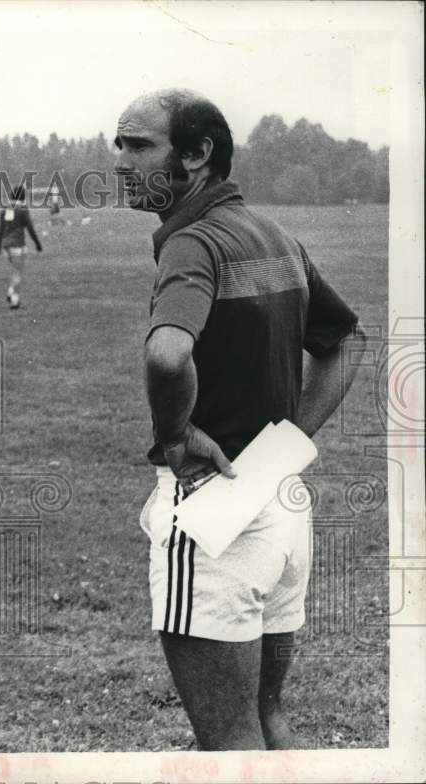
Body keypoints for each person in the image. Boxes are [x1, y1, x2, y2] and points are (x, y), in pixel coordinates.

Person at [114, 88, 365, 751]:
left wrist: (175, 433)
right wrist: (289, 441)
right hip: (281, 506)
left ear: (197, 155)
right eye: (119, 144)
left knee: (229, 744)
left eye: (138, 144)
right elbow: (345, 342)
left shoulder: (192, 244)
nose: (120, 160)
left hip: (214, 515)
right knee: (269, 720)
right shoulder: (275, 234)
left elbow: (168, 356)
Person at [0, 186, 42, 309]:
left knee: (16, 271)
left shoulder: (5, 209)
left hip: (6, 245)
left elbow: (1, 228)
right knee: (18, 273)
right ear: (23, 196)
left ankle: (10, 292)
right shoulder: (22, 209)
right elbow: (30, 228)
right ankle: (14, 301)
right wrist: (37, 243)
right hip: (17, 244)